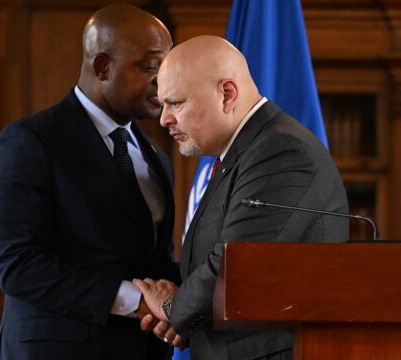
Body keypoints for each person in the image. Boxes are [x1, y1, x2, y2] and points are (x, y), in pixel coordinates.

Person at [0, 4, 180, 359]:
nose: (162, 82)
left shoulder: (157, 156)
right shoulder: (30, 142)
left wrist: (187, 297)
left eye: (166, 69)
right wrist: (136, 302)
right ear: (102, 67)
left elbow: (154, 264)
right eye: (150, 67)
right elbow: (19, 266)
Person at [133, 35, 349, 360]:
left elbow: (232, 268)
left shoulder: (280, 151)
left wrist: (170, 306)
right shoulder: (242, 153)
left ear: (227, 94)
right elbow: (210, 261)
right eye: (163, 104)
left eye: (176, 103)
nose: (164, 119)